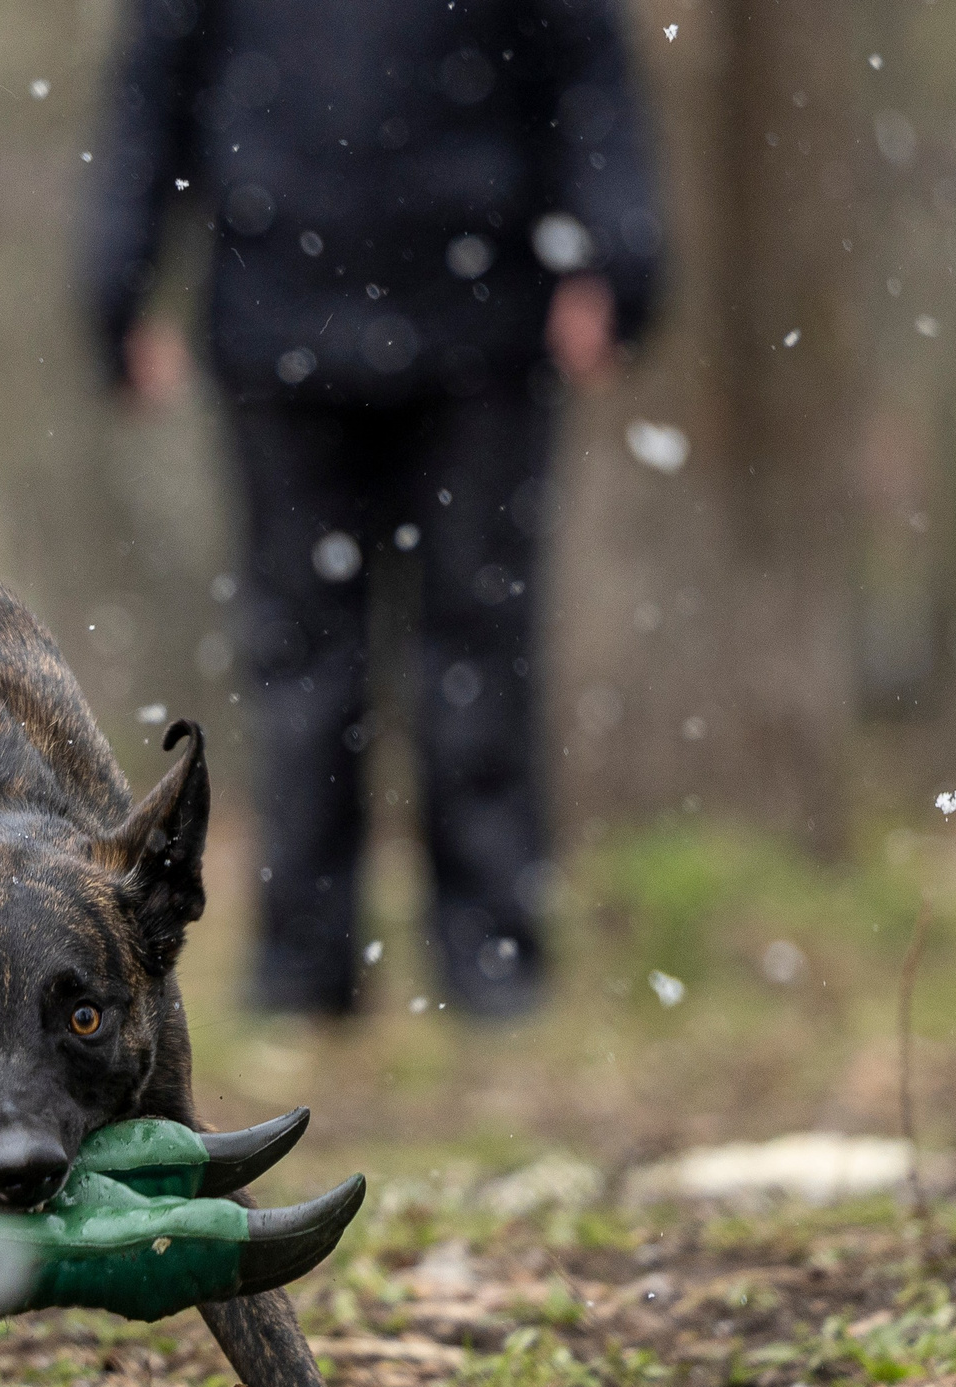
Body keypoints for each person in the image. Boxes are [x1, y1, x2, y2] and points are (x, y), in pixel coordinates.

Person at [80, 0, 661, 1019]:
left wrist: (617, 255)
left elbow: (585, 68)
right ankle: (304, 966)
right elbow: (153, 89)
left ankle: (491, 962)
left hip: (483, 322)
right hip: (278, 322)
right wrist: (116, 284)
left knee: (476, 648)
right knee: (302, 662)